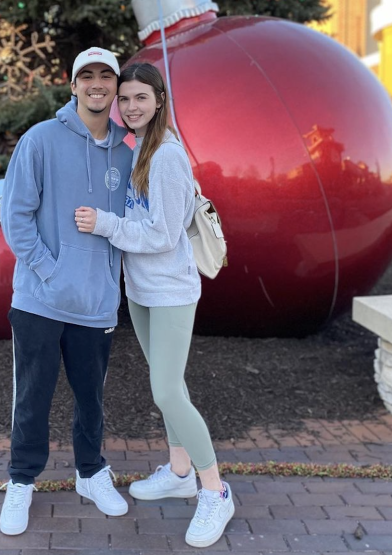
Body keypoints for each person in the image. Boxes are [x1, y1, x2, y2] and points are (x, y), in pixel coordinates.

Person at [76, 62, 235, 548]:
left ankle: (215, 490)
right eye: (124, 99)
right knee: (170, 384)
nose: (129, 106)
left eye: (140, 97)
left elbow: (164, 234)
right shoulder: (137, 144)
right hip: (142, 290)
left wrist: (104, 224)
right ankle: (181, 471)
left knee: (166, 391)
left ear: (160, 100)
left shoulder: (166, 155)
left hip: (169, 290)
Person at [0, 48, 134, 536]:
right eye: (87, 76)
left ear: (116, 86)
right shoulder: (40, 140)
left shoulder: (130, 150)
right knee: (32, 396)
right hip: (39, 298)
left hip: (96, 303)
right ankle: (21, 481)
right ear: (72, 85)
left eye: (106, 76)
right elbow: (16, 215)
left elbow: (138, 220)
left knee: (90, 398)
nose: (97, 84)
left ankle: (92, 473)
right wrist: (47, 270)